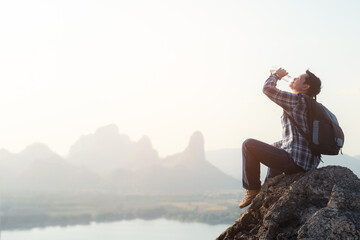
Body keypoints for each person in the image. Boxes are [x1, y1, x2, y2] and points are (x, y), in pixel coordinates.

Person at [238, 68, 322, 209]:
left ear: (305, 86)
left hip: (295, 161)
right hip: (308, 163)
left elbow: (267, 89)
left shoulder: (297, 100)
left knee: (248, 145)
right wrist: (274, 146)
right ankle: (266, 190)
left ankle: (252, 190)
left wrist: (276, 75)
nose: (293, 79)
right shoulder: (312, 106)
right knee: (275, 148)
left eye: (298, 78)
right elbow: (298, 139)